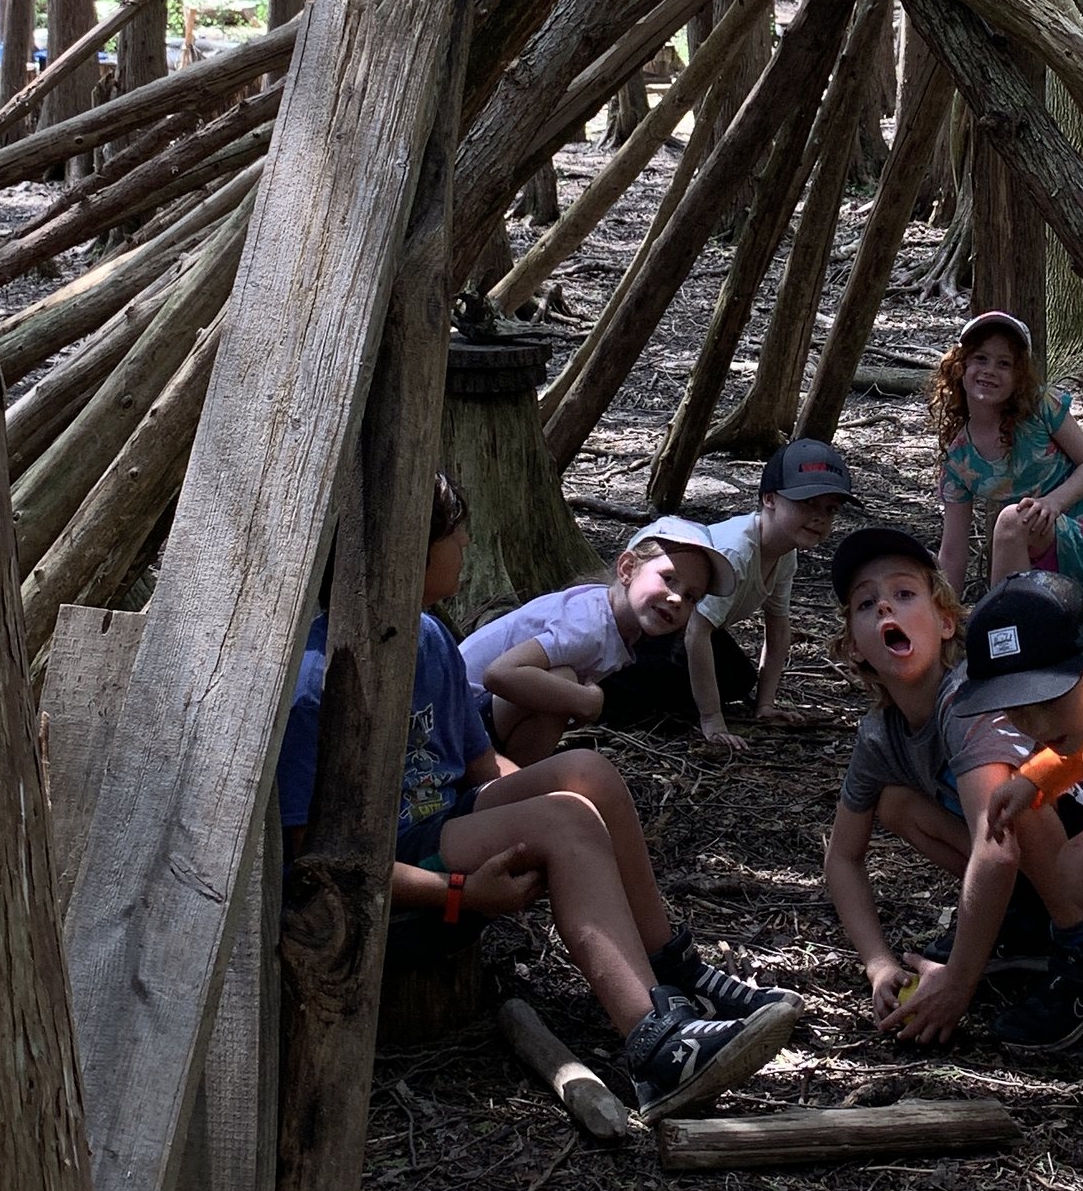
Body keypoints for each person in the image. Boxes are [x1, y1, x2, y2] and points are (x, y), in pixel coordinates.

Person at [278, 475, 799, 1115]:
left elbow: (479, 767)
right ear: (409, 546)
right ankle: (654, 1047)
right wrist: (463, 891)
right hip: (397, 864)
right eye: (455, 532)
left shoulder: (429, 636)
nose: (467, 540)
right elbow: (312, 861)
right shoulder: (315, 683)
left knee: (587, 772)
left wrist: (523, 810)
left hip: (443, 822)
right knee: (566, 822)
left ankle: (674, 967)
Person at [820, 522, 1077, 1053]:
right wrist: (879, 964)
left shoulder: (967, 703)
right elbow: (842, 859)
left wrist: (959, 981)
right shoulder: (880, 734)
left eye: (904, 593)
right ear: (855, 649)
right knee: (894, 804)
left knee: (1009, 805)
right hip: (1031, 864)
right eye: (867, 605)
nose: (885, 609)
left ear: (944, 622)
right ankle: (1024, 925)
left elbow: (998, 850)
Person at [608, 439, 859, 747]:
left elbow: (778, 629)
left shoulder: (784, 553)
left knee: (739, 679)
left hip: (686, 626)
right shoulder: (737, 551)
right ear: (769, 499)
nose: (819, 517)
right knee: (660, 676)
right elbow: (695, 634)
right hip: (654, 622)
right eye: (807, 503)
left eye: (830, 509)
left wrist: (765, 704)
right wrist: (712, 720)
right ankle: (604, 691)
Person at [958, 569, 1083, 1057]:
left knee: (1081, 868)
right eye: (1018, 710)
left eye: (1048, 699)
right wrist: (1034, 779)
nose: (1037, 723)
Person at [459, 516, 728, 767]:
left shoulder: (614, 622)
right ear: (627, 568)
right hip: (453, 721)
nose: (677, 599)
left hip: (469, 721)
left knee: (564, 686)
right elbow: (499, 674)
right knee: (564, 681)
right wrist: (586, 701)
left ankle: (513, 780)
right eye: (668, 579)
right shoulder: (588, 624)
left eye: (692, 597)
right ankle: (510, 787)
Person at [930, 312, 1083, 600]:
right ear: (960, 367)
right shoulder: (959, 458)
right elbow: (952, 551)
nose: (989, 370)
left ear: (1018, 376)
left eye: (1004, 363)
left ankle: (1003, 629)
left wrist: (1052, 503)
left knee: (1013, 519)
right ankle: (1011, 631)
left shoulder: (1040, 408)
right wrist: (944, 621)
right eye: (980, 359)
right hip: (1025, 563)